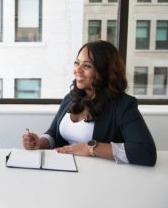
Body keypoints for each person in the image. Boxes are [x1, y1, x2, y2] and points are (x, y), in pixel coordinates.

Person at [23, 40, 157, 166]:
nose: (78, 70)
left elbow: (146, 153)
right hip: (65, 171)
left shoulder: (123, 105)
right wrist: (40, 142)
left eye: (86, 65)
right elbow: (53, 134)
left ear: (105, 71)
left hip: (99, 179)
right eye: (77, 63)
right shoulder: (71, 98)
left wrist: (91, 148)